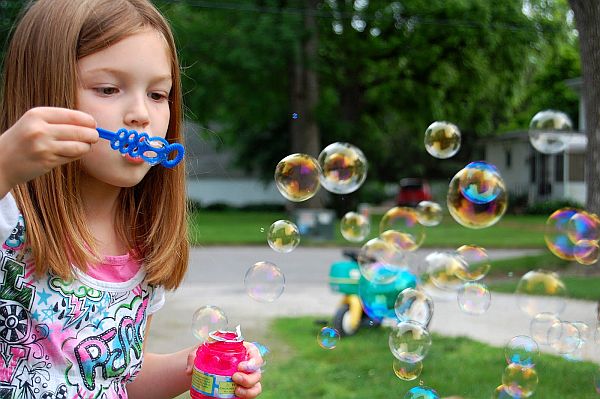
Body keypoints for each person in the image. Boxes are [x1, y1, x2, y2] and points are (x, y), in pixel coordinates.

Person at [0, 0, 263, 398]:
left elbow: (121, 377)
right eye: (108, 89)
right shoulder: (9, 212)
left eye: (158, 94)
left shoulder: (143, 241)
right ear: (43, 90)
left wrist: (195, 366)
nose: (141, 114)